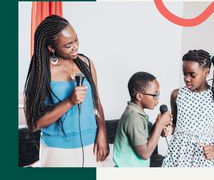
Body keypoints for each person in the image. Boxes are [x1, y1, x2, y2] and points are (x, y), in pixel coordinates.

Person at [24, 15, 109, 167]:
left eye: (76, 40)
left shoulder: (86, 63)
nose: (75, 47)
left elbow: (96, 101)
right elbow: (34, 124)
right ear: (51, 48)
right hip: (57, 151)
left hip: (90, 146)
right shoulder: (42, 72)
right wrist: (70, 101)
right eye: (68, 45)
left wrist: (102, 132)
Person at [162, 49, 214, 167]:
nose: (187, 78)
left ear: (206, 72)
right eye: (184, 74)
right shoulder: (177, 95)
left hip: (204, 156)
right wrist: (170, 128)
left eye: (192, 74)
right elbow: (176, 124)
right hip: (178, 154)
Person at [113, 71, 172, 167]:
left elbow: (144, 141)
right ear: (139, 96)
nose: (157, 99)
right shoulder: (133, 117)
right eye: (155, 95)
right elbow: (145, 154)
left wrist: (157, 124)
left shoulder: (137, 113)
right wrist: (160, 124)